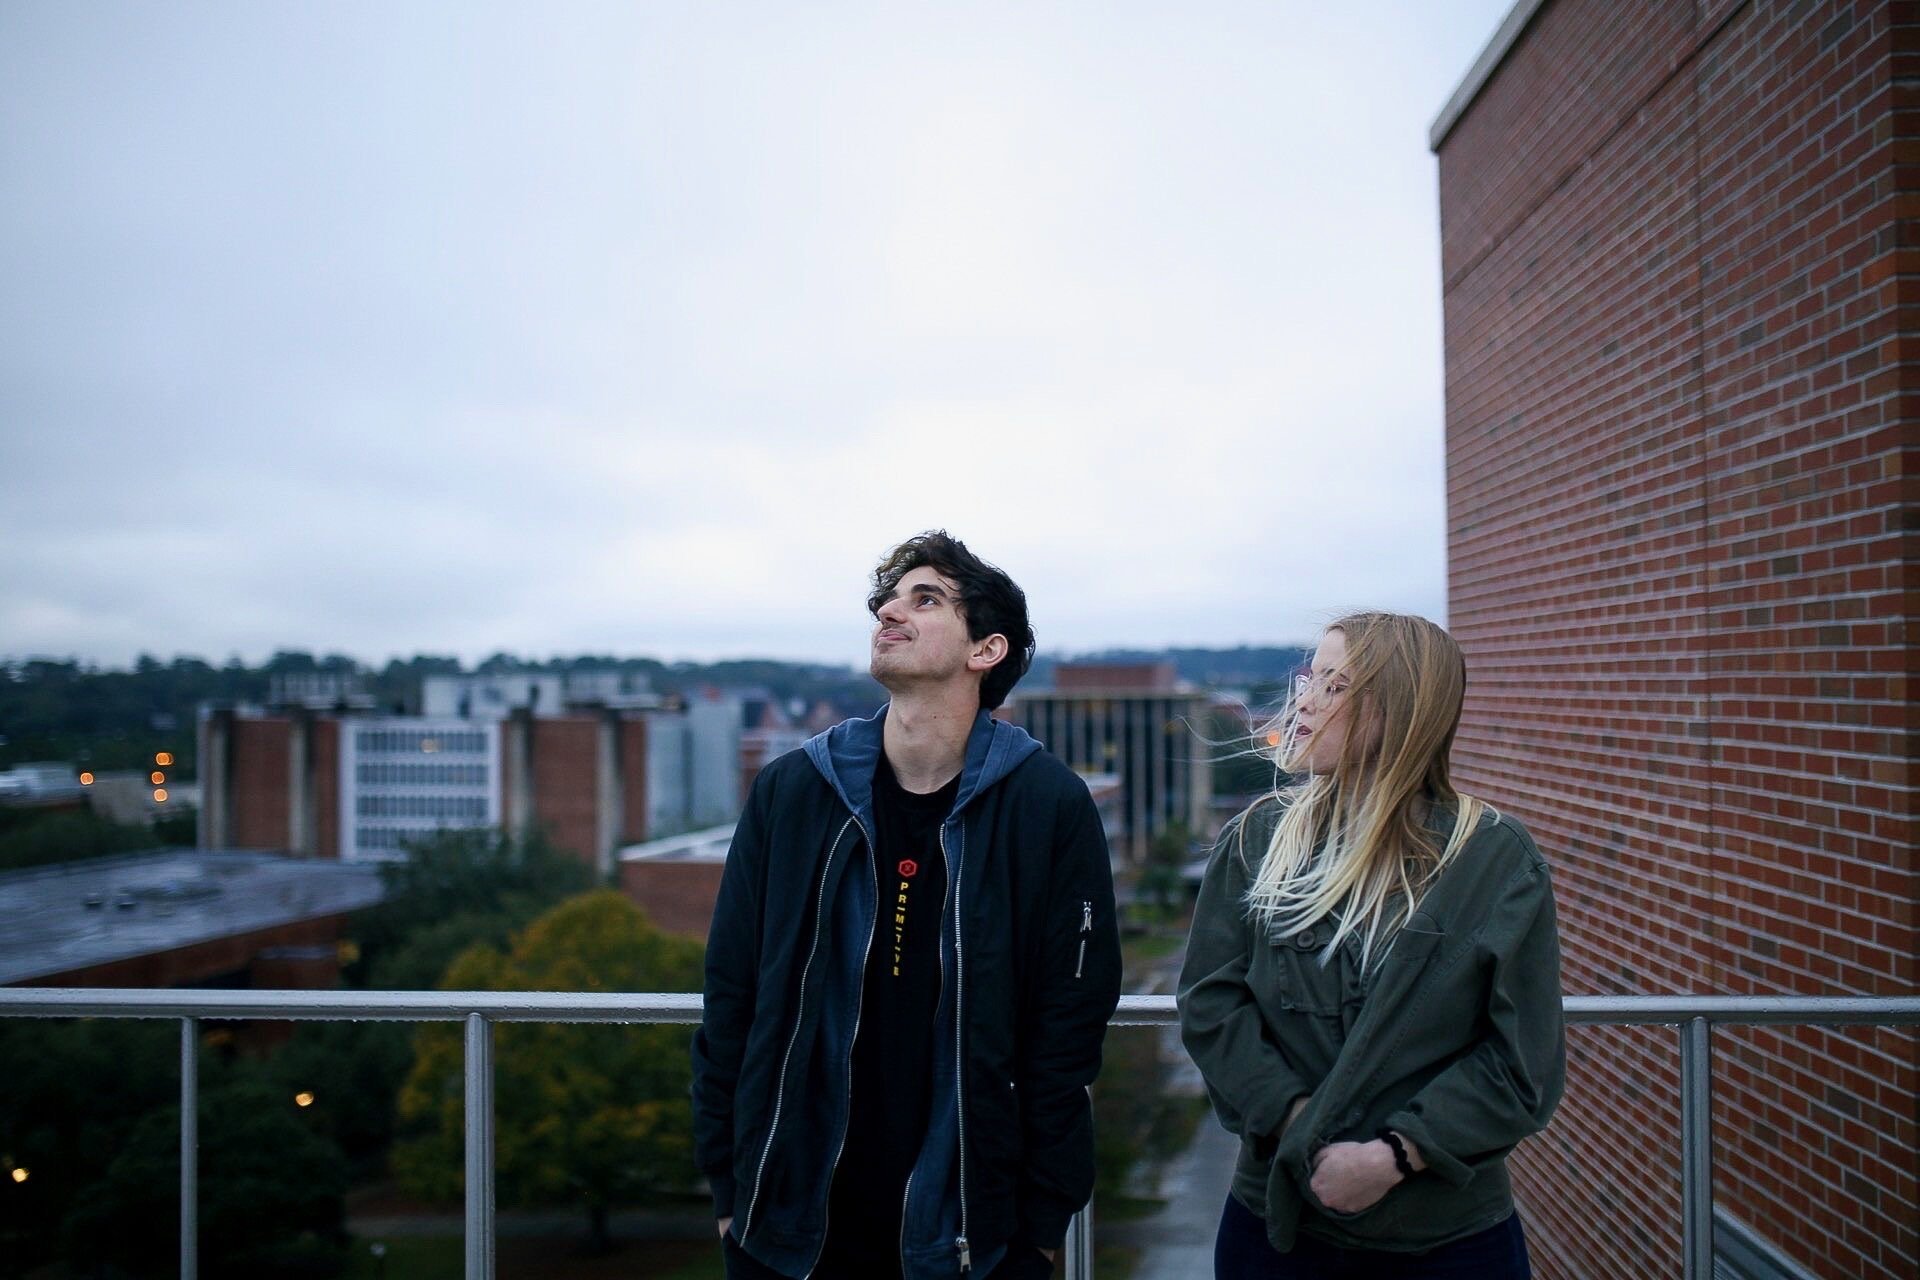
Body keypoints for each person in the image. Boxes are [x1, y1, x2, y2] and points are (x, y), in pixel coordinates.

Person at [692, 531, 1122, 1280]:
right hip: (789, 1224)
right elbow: (731, 995)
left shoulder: (1048, 806)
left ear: (985, 651)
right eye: (887, 600)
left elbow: (1070, 1024)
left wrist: (1041, 1225)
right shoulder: (795, 792)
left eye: (925, 599)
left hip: (973, 1227)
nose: (890, 611)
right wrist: (731, 1189)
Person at [1177, 611, 1566, 1279]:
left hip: (1447, 1242)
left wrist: (1395, 1155)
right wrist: (1296, 1121)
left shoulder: (1492, 859)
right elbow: (1211, 1004)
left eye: (1334, 684)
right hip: (1278, 1228)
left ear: (1399, 712)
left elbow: (1522, 1060)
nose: (1303, 698)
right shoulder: (1257, 841)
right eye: (1310, 677)